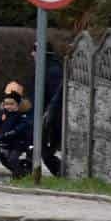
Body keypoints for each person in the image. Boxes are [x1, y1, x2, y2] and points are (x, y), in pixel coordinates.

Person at [31, 41, 64, 176]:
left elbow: (57, 95)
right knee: (41, 148)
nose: (32, 54)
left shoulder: (53, 71)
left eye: (34, 50)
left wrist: (49, 114)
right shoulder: (45, 68)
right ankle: (60, 172)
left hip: (53, 118)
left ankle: (61, 172)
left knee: (43, 148)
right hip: (47, 116)